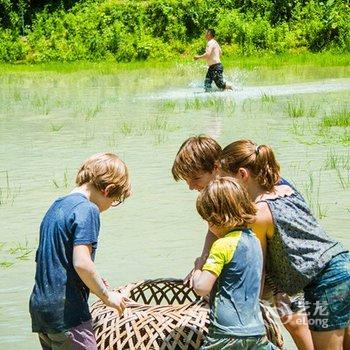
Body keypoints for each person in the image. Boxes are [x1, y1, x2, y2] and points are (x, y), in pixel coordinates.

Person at [172, 135, 314, 350]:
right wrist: (202, 261)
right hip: (264, 249)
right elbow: (217, 229)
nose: (191, 186)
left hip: (286, 254)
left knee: (291, 317)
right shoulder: (228, 188)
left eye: (195, 178)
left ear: (216, 167)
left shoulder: (242, 186)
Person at [219, 140, 350, 350]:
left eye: (226, 180)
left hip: (326, 284)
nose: (226, 188)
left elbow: (256, 269)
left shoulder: (259, 214)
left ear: (242, 175)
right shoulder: (285, 188)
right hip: (343, 264)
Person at [29, 152, 131, 350]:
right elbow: (82, 263)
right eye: (115, 201)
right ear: (108, 190)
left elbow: (56, 261)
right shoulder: (88, 209)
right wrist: (107, 296)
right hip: (68, 313)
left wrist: (96, 283)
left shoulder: (56, 206)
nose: (109, 206)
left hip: (42, 309)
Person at [192, 176, 277, 349]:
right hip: (256, 331)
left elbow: (201, 288)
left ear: (217, 218)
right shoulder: (254, 241)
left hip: (225, 333)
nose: (209, 226)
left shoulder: (222, 245)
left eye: (208, 220)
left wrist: (198, 268)